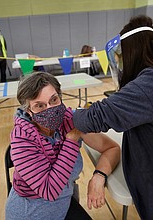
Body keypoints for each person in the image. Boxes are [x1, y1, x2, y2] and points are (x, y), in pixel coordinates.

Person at [5, 71, 120, 220]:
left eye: (54, 100)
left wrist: (99, 176)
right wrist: (71, 140)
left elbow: (112, 149)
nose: (50, 109)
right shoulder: (21, 139)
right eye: (39, 106)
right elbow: (50, 191)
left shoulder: (70, 120)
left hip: (64, 203)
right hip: (30, 212)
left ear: (60, 96)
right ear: (28, 111)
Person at [73, 15, 153, 220]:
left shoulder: (147, 85)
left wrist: (68, 114)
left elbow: (94, 117)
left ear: (133, 51)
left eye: (122, 56)